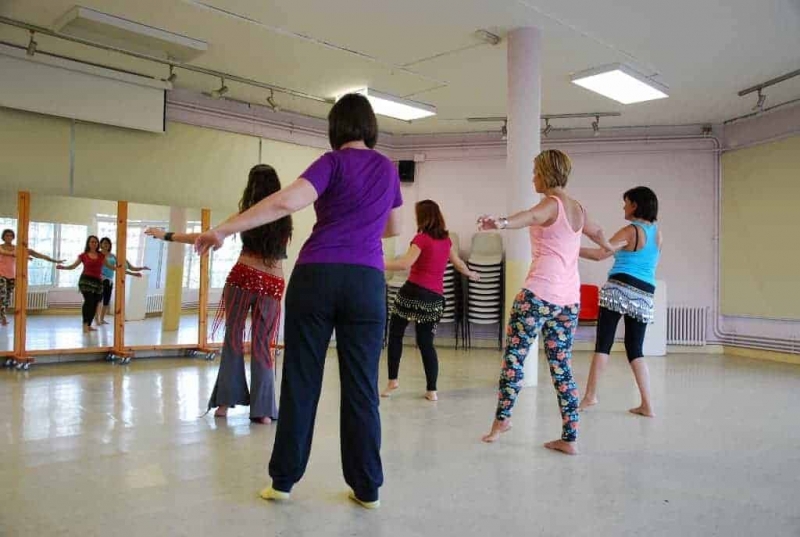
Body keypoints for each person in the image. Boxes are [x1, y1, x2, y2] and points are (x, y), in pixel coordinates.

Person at [195, 93, 402, 509]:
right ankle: (367, 489)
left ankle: (283, 481)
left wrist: (224, 229)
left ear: (336, 128)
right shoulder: (388, 170)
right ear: (370, 126)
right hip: (366, 281)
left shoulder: (331, 163)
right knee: (362, 388)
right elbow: (392, 227)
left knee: (302, 381)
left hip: (317, 276)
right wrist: (358, 225)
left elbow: (286, 201)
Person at [478, 149, 614, 455]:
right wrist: (608, 246)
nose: (533, 177)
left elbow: (529, 217)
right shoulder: (577, 208)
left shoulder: (550, 204)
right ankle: (570, 437)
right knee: (562, 367)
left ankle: (502, 422)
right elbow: (597, 232)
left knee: (514, 359)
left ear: (547, 174)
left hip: (537, 296)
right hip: (568, 301)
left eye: (536, 172)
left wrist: (498, 222)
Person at [145, 164, 292, 425]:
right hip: (272, 284)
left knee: (233, 338)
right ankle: (263, 411)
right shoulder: (285, 216)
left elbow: (206, 237)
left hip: (243, 277)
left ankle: (224, 403)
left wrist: (166, 235)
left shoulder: (246, 214)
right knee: (262, 345)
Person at [382, 200, 479, 401]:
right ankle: (432, 390)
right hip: (434, 298)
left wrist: (377, 262)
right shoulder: (446, 241)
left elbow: (404, 264)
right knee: (426, 343)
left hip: (412, 293)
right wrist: (471, 274)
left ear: (423, 217)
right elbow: (459, 264)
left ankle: (393, 381)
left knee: (396, 334)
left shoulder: (421, 239)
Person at [578, 186, 662, 418]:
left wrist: (571, 247)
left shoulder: (630, 231)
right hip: (644, 293)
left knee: (603, 344)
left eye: (626, 202)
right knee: (635, 349)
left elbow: (599, 254)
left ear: (635, 205)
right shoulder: (657, 233)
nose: (623, 207)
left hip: (619, 287)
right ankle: (647, 404)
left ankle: (590, 396)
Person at [0, 228, 63, 326]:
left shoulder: (18, 249)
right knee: (2, 295)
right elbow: (5, 253)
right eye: (6, 235)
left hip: (12, 276)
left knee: (7, 298)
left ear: (13, 237)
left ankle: (2, 314)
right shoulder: (1, 247)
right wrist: (20, 256)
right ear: (3, 237)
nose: (8, 237)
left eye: (10, 235)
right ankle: (3, 316)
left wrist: (55, 261)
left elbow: (37, 254)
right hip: (1, 274)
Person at [56, 235, 116, 334]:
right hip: (86, 281)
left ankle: (89, 325)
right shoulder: (83, 255)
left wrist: (122, 269)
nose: (94, 243)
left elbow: (110, 266)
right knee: (89, 302)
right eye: (92, 242)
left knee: (95, 304)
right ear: (88, 243)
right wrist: (64, 267)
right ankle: (85, 325)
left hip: (98, 282)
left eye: (96, 242)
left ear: (98, 244)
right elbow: (73, 266)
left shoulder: (101, 256)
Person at [96, 237, 149, 325]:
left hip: (109, 281)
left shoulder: (113, 256)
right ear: (100, 244)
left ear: (110, 245)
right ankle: (96, 319)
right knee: (98, 301)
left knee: (106, 301)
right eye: (104, 243)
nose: (106, 244)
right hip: (100, 279)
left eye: (108, 243)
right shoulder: (98, 255)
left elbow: (126, 268)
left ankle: (102, 319)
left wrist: (139, 270)